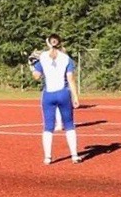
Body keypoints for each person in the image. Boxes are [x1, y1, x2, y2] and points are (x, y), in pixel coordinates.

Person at [28, 34, 81, 165]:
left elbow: (36, 76)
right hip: (63, 94)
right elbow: (70, 79)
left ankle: (48, 157)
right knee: (69, 125)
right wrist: (75, 96)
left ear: (48, 42)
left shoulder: (42, 57)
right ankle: (74, 155)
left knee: (48, 127)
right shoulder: (66, 58)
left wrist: (31, 65)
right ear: (60, 43)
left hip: (48, 95)